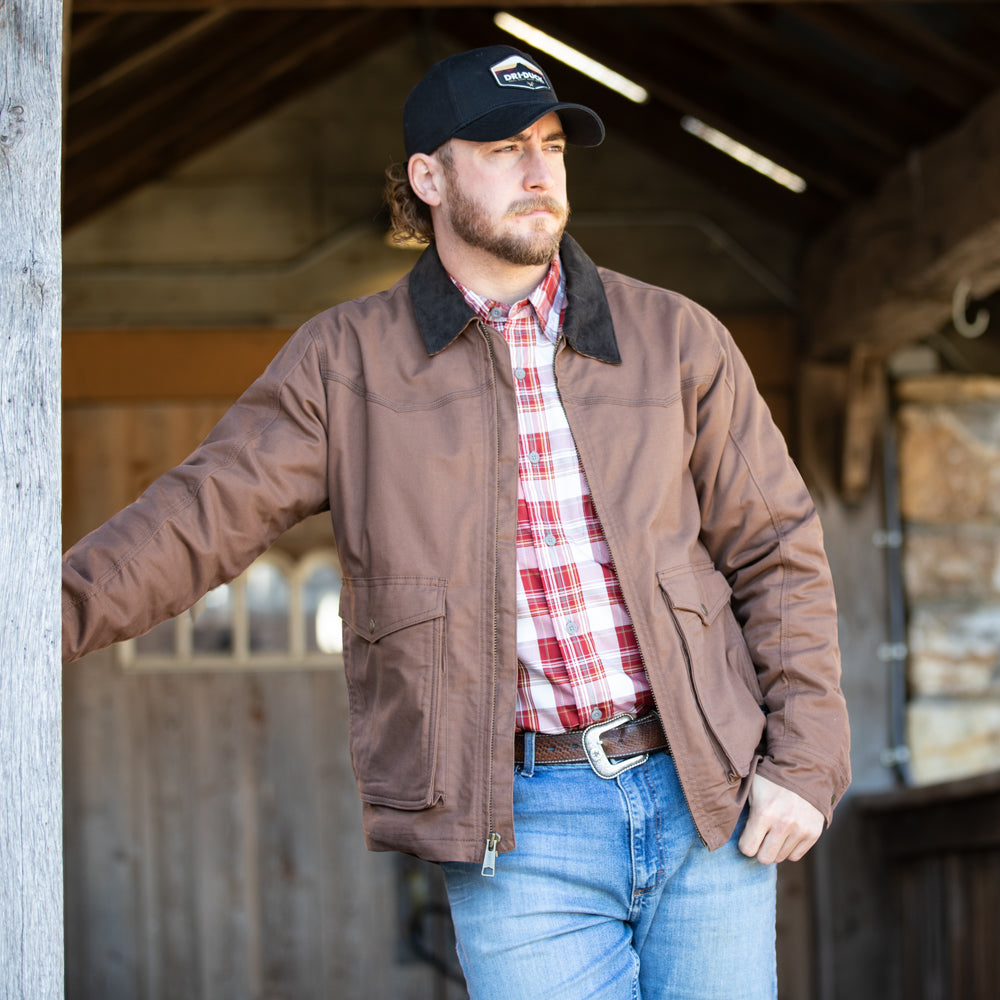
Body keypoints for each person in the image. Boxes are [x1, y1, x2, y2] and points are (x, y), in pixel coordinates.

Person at [63, 44, 850, 1000]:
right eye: (503, 146)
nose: (538, 171)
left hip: (704, 791)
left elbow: (777, 550)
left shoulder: (675, 338)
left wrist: (805, 759)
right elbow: (198, 518)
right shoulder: (343, 363)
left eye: (553, 146)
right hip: (518, 829)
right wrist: (43, 618)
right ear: (428, 178)